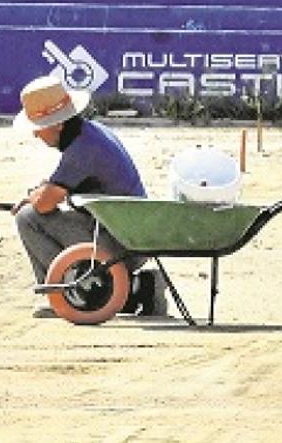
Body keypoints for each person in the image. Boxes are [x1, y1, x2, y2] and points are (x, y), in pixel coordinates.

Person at [10, 76, 167, 317]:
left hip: (121, 243)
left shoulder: (82, 149)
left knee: (27, 218)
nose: (35, 136)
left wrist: (35, 198)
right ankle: (138, 288)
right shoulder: (91, 133)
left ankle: (61, 294)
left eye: (38, 128)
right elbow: (57, 186)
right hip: (132, 236)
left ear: (57, 124)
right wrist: (40, 193)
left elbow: (42, 205)